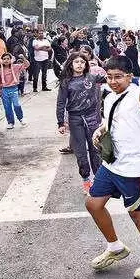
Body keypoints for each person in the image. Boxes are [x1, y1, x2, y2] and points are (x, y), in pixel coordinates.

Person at [86, 55, 140, 279]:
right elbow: (111, 121)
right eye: (109, 77)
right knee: (93, 204)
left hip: (135, 168)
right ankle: (115, 247)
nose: (113, 81)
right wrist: (100, 130)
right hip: (112, 163)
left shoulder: (137, 95)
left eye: (118, 77)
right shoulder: (110, 97)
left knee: (137, 214)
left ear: (129, 76)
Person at [57, 52, 106, 194]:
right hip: (75, 119)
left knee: (96, 150)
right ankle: (86, 180)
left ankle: (98, 179)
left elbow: (112, 77)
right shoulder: (66, 82)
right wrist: (60, 122)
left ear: (86, 64)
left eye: (82, 62)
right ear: (71, 64)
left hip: (92, 118)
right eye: (76, 62)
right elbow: (61, 102)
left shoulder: (92, 77)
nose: (79, 64)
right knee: (81, 153)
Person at [0, 52, 30, 129]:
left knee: (16, 104)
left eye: (8, 59)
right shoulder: (0, 70)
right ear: (1, 60)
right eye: (4, 59)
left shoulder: (16, 67)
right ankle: (10, 122)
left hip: (14, 88)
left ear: (11, 60)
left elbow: (27, 65)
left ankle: (21, 118)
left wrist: (23, 58)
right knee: (7, 107)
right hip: (4, 90)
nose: (6, 60)